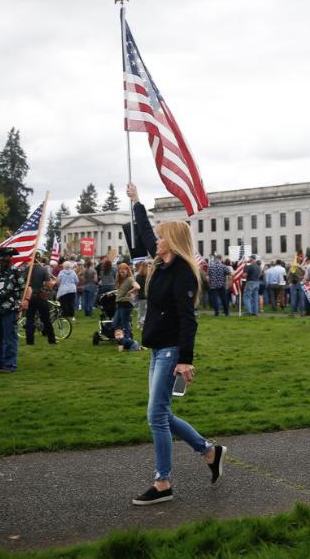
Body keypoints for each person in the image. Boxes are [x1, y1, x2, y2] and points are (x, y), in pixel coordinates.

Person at [126, 182, 225, 506]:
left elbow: (189, 319)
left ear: (174, 241)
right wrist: (137, 202)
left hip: (171, 351)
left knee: (156, 415)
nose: (156, 240)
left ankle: (163, 482)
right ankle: (209, 451)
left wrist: (185, 359)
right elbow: (142, 233)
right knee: (162, 414)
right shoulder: (161, 264)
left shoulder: (183, 272)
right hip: (157, 349)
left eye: (162, 236)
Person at [0, 247, 28, 373]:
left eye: (4, 257)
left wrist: (26, 300)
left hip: (11, 309)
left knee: (10, 338)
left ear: (10, 258)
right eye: (0, 257)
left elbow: (27, 287)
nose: (1, 260)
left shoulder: (17, 271)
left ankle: (10, 365)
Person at [25, 255, 57, 345]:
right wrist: (55, 281)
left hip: (29, 297)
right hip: (40, 296)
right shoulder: (43, 270)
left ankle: (29, 341)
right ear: (38, 259)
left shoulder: (26, 270)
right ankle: (52, 340)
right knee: (46, 319)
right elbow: (49, 285)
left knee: (30, 320)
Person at [112, 262, 139, 351]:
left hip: (126, 304)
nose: (122, 273)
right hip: (120, 304)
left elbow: (137, 287)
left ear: (127, 270)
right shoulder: (122, 280)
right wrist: (112, 292)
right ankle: (123, 340)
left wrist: (130, 292)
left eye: (123, 271)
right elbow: (121, 290)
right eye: (120, 271)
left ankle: (128, 341)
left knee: (125, 323)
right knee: (115, 323)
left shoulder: (130, 279)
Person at [135, 261, 150, 329]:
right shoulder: (148, 276)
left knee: (140, 311)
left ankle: (139, 324)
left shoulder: (138, 276)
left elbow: (137, 287)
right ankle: (142, 325)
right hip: (147, 295)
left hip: (140, 295)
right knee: (145, 312)